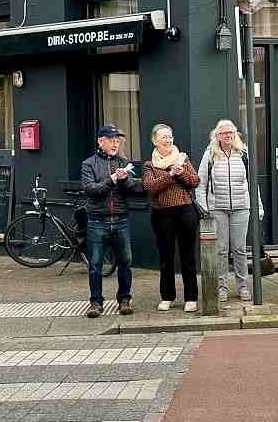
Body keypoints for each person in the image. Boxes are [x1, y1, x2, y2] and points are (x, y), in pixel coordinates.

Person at [196, 119, 264, 304]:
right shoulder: (210, 154)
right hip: (218, 208)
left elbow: (252, 182)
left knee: (240, 249)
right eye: (224, 132)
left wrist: (258, 205)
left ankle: (242, 286)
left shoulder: (243, 154)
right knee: (221, 250)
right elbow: (200, 182)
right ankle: (222, 287)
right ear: (217, 136)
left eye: (231, 132)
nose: (228, 135)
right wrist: (203, 206)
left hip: (241, 207)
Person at [81, 125, 139, 318]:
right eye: (111, 139)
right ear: (100, 141)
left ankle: (124, 299)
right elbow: (91, 190)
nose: (116, 143)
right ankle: (96, 302)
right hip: (97, 221)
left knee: (126, 261)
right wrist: (112, 179)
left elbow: (134, 188)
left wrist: (124, 179)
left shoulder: (123, 161)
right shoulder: (89, 164)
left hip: (121, 219)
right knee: (96, 264)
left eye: (117, 140)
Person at [142, 123, 201, 313]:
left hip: (185, 212)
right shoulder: (149, 165)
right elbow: (150, 187)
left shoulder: (182, 159)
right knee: (166, 257)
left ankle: (191, 297)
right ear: (155, 141)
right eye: (163, 137)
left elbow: (195, 181)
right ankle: (167, 296)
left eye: (170, 136)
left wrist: (181, 172)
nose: (168, 140)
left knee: (188, 256)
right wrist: (170, 174)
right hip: (162, 215)